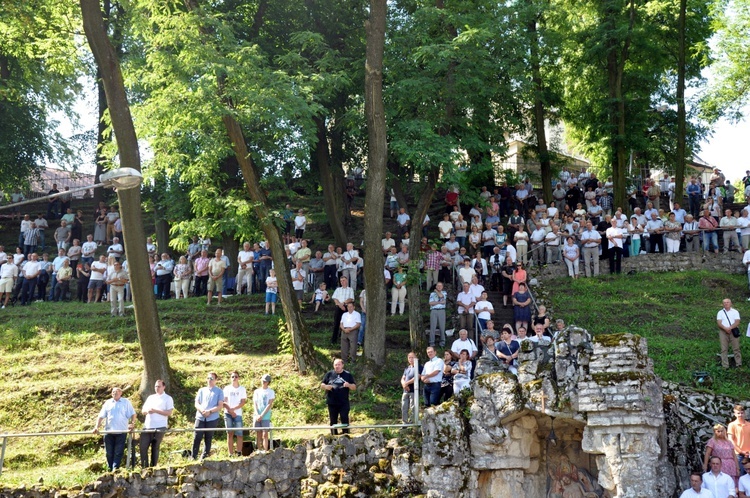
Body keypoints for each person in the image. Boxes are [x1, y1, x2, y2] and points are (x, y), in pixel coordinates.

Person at [93, 387, 136, 471]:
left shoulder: (125, 402)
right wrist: (96, 427)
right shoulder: (108, 403)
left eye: (116, 392)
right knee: (109, 453)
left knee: (118, 452)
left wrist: (132, 424)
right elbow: (101, 416)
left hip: (121, 432)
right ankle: (110, 469)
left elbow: (133, 414)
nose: (114, 393)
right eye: (113, 392)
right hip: (109, 432)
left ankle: (115, 469)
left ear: (121, 393)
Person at [140, 379, 174, 468]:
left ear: (164, 387)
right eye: (156, 386)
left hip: (160, 426)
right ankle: (145, 467)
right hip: (147, 426)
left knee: (155, 447)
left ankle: (153, 467)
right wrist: (147, 411)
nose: (157, 388)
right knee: (143, 447)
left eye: (159, 386)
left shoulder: (168, 398)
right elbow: (143, 410)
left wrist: (155, 410)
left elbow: (169, 413)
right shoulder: (151, 397)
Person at [192, 372, 224, 460]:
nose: (209, 380)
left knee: (208, 438)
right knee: (197, 437)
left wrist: (210, 411)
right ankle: (193, 456)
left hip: (212, 418)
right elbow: (196, 403)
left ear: (216, 380)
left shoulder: (219, 391)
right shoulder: (201, 390)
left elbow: (220, 405)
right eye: (208, 378)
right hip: (200, 417)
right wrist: (202, 410)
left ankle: (204, 457)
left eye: (212, 378)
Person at [321, 358, 356, 434]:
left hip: (343, 402)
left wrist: (348, 385)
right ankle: (333, 436)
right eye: (335, 365)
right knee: (333, 420)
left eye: (339, 364)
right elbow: (322, 384)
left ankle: (346, 435)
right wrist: (326, 387)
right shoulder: (329, 374)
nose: (337, 366)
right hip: (332, 402)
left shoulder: (347, 375)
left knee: (344, 418)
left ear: (342, 365)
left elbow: (354, 387)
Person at [223, 371, 247, 457]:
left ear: (238, 378)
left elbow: (243, 402)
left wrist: (234, 409)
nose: (234, 378)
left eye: (236, 376)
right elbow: (224, 401)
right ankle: (230, 453)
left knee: (239, 434)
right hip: (228, 413)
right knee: (230, 433)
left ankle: (239, 452)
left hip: (238, 414)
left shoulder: (242, 389)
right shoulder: (226, 388)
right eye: (232, 376)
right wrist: (230, 410)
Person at [717, 298, 742, 369]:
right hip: (723, 332)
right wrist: (725, 328)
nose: (726, 304)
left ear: (730, 303)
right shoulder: (720, 312)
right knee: (724, 349)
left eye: (727, 302)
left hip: (733, 331)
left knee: (736, 348)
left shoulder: (735, 312)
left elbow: (737, 321)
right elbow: (719, 322)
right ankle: (725, 365)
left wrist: (730, 328)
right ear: (722, 304)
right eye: (724, 302)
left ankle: (738, 364)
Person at [252, 374, 275, 451]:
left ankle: (265, 450)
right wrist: (257, 414)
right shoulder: (257, 391)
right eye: (262, 381)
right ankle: (259, 449)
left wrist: (262, 415)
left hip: (266, 416)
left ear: (268, 382)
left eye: (265, 381)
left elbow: (269, 404)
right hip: (257, 415)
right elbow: (255, 403)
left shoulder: (271, 392)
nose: (263, 382)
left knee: (265, 434)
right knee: (258, 434)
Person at [729, 405, 750, 477]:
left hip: (749, 454)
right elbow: (731, 440)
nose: (740, 415)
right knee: (740, 475)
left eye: (742, 413)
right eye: (738, 413)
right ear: (735, 414)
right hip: (738, 455)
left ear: (744, 413)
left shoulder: (749, 425)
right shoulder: (732, 425)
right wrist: (741, 451)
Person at [429, 282, 447, 347]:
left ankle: (442, 342)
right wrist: (439, 302)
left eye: (440, 286)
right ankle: (431, 342)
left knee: (442, 327)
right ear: (436, 286)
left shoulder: (444, 293)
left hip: (441, 311)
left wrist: (436, 292)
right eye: (438, 286)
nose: (439, 287)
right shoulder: (432, 294)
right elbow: (431, 303)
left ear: (442, 287)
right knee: (433, 327)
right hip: (434, 310)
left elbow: (442, 297)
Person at [400, 352, 417, 424]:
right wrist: (404, 384)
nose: (410, 359)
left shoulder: (418, 367)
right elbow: (402, 378)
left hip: (413, 390)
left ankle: (412, 421)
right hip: (405, 391)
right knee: (404, 407)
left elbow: (417, 377)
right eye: (409, 357)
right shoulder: (407, 368)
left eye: (412, 357)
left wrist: (406, 384)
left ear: (415, 358)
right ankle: (405, 422)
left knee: (412, 407)